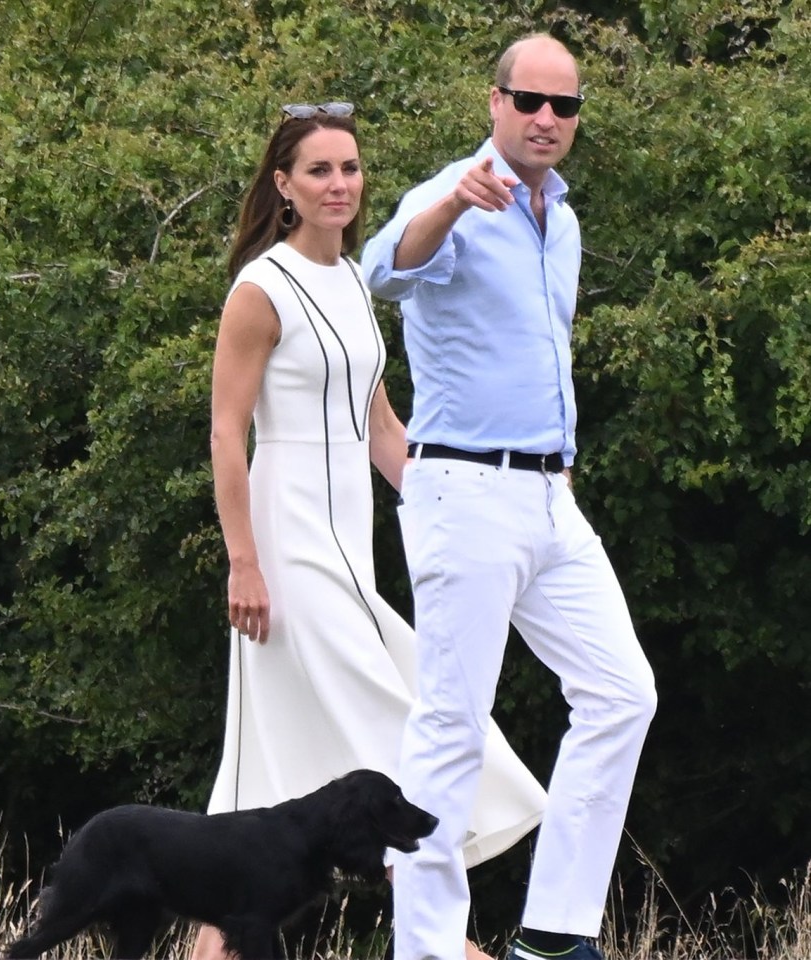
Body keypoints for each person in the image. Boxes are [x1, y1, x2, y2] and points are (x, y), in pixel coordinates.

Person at [191, 101, 547, 960]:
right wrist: (243, 562)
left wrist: (454, 503)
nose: (338, 185)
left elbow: (382, 430)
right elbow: (224, 432)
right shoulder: (260, 289)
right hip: (286, 553)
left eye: (349, 169)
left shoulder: (352, 278)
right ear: (283, 185)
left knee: (269, 782)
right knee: (407, 747)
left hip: (350, 553)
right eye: (318, 170)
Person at [361, 34, 658, 960]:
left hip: (545, 494)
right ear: (493, 101)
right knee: (451, 722)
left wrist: (561, 464)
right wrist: (453, 199)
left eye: (563, 107)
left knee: (622, 693)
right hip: (460, 486)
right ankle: (426, 949)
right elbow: (383, 268)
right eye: (528, 100)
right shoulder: (454, 194)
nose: (545, 120)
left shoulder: (559, 220)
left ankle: (552, 934)